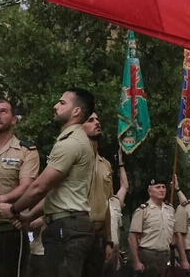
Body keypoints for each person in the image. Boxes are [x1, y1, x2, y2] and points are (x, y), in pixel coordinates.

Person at [0, 89, 98, 277]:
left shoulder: (71, 142)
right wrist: (28, 217)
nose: (55, 106)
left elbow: (39, 187)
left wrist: (13, 209)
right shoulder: (74, 140)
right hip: (67, 224)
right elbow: (57, 192)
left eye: (62, 102)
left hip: (67, 228)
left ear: (76, 111)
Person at [0, 98, 41, 277]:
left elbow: (27, 186)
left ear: (14, 119)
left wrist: (2, 199)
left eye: (3, 111)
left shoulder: (26, 151)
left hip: (12, 232)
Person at [82, 115, 117, 277]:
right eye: (90, 120)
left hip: (99, 234)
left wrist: (109, 241)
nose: (97, 122)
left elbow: (106, 204)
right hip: (77, 231)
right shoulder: (74, 160)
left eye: (97, 119)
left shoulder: (106, 164)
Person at [128, 179, 175, 277]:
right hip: (148, 256)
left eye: (163, 187)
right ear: (150, 191)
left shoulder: (170, 210)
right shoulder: (143, 210)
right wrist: (136, 261)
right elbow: (132, 237)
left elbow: (175, 234)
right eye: (158, 187)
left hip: (166, 256)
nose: (161, 190)